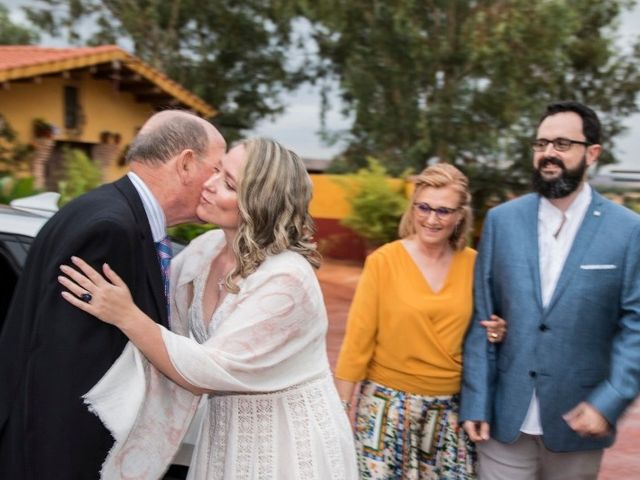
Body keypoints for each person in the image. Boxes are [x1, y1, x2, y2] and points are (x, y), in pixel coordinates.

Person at [57, 138, 359, 479]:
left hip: (287, 442)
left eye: (229, 183)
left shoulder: (286, 279)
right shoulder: (207, 248)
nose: (211, 185)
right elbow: (163, 318)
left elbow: (205, 369)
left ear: (258, 205)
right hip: (224, 432)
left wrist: (125, 314)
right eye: (217, 171)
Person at [0, 110, 226, 479]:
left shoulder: (106, 211)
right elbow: (68, 371)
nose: (217, 183)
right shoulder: (111, 229)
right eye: (216, 169)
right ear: (186, 163)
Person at [460, 100, 640, 479]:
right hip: (503, 419)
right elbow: (482, 316)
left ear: (592, 153)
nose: (548, 154)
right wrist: (475, 400)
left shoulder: (627, 230)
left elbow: (635, 325)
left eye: (562, 143)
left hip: (579, 419)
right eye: (541, 144)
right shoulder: (502, 221)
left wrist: (609, 401)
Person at [334, 163, 506, 479]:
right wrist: (342, 408)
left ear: (460, 216)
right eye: (423, 207)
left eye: (443, 211)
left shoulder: (475, 265)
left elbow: (484, 328)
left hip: (451, 411)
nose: (431, 219)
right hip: (386, 407)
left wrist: (497, 331)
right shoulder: (383, 262)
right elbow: (357, 341)